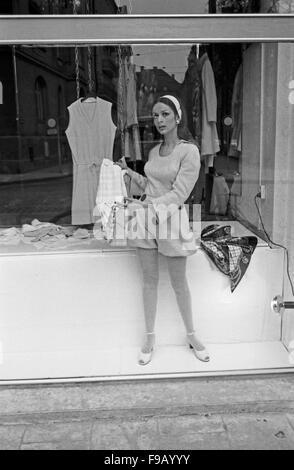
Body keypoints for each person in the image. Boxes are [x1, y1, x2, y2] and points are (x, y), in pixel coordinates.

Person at [116, 95, 210, 365]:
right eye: (156, 115)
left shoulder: (188, 151)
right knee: (149, 281)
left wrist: (150, 208)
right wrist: (129, 173)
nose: (160, 120)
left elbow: (180, 193)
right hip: (146, 220)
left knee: (180, 284)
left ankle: (192, 335)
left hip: (170, 222)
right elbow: (151, 186)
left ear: (178, 117)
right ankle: (149, 338)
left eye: (165, 114)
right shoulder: (154, 152)